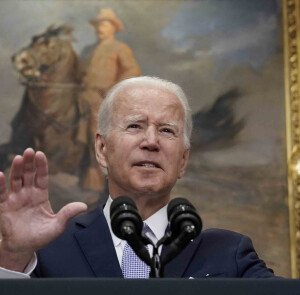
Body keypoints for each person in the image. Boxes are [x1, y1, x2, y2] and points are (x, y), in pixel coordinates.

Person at [0, 76, 275, 278]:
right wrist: (13, 254)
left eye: (167, 131)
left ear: (183, 160)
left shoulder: (228, 254)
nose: (151, 141)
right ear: (102, 148)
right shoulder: (44, 250)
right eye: (135, 126)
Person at [78, 8, 141, 192]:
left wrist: (113, 88)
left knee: (98, 140)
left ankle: (101, 188)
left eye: (104, 24)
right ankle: (88, 184)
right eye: (98, 25)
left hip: (103, 102)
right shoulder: (88, 50)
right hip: (83, 99)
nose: (100, 28)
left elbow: (132, 71)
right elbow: (80, 73)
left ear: (113, 27)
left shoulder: (120, 48)